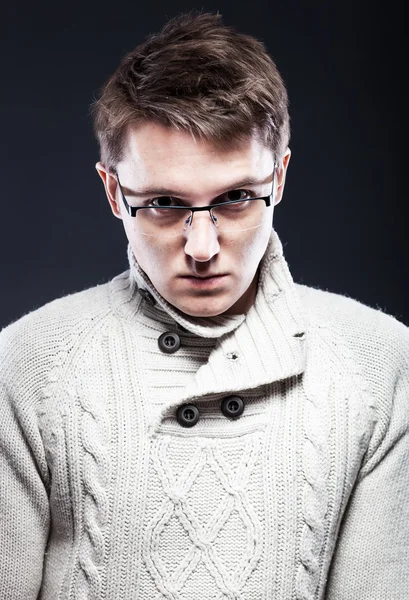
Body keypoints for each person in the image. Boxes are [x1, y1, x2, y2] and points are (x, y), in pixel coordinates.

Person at [0, 11, 408, 600]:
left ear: (281, 177)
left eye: (237, 198)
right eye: (163, 202)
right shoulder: (25, 365)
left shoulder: (380, 365)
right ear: (113, 190)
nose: (202, 247)